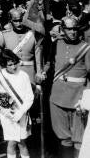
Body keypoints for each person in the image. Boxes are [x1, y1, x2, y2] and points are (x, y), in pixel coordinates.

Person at [49, 15, 90, 157]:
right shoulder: (56, 44)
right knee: (63, 137)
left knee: (79, 137)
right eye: (69, 29)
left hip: (78, 97)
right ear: (62, 29)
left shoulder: (85, 48)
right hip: (58, 96)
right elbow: (49, 65)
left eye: (75, 29)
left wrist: (86, 96)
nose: (73, 32)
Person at [0, 49, 34, 158]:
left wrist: (20, 112)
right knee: (12, 141)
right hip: (7, 115)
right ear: (4, 64)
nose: (14, 67)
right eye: (10, 65)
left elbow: (30, 97)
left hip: (22, 112)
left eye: (15, 63)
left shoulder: (24, 75)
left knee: (22, 142)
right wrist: (6, 112)